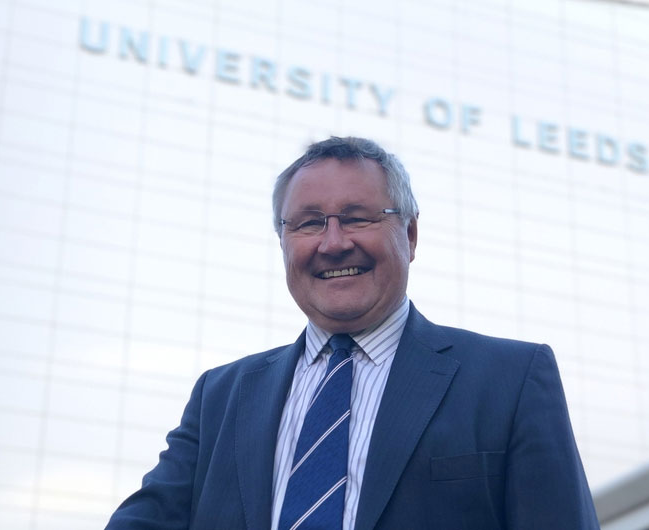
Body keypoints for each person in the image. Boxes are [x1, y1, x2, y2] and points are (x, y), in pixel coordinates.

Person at [105, 137, 599, 529]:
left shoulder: (511, 379)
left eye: (358, 218)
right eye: (309, 223)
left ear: (410, 236)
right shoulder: (221, 396)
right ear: (283, 241)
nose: (333, 243)